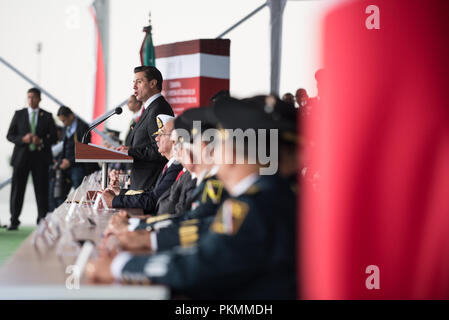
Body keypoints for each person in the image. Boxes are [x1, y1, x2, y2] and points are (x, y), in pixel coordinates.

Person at [86, 97, 297, 299]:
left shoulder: (255, 205)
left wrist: (121, 266)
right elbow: (206, 233)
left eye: (219, 144)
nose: (212, 153)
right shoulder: (269, 195)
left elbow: (203, 265)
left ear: (233, 153)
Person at [102, 115, 182, 212]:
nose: (156, 139)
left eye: (162, 133)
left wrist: (114, 201)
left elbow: (152, 199)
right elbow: (150, 192)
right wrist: (120, 192)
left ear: (175, 139)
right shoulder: (170, 166)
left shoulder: (177, 166)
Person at [6, 87, 57, 230]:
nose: (30, 100)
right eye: (28, 97)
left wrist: (40, 141)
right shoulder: (19, 114)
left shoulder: (47, 116)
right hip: (21, 158)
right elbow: (10, 135)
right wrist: (23, 138)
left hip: (40, 158)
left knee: (41, 190)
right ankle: (14, 220)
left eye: (33, 97)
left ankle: (42, 220)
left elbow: (54, 137)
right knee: (17, 190)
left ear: (39, 99)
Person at [116, 66, 174, 190]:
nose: (134, 87)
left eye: (139, 82)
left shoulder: (158, 108)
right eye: (134, 82)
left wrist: (130, 151)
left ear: (153, 83)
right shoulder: (150, 108)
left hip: (149, 184)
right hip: (140, 180)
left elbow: (161, 150)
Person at [56, 106, 91, 191]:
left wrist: (70, 161)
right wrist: (60, 162)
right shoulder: (65, 128)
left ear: (71, 116)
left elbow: (85, 149)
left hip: (78, 165)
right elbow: (64, 146)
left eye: (64, 120)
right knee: (59, 193)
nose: (63, 123)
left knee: (79, 191)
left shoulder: (83, 127)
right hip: (64, 165)